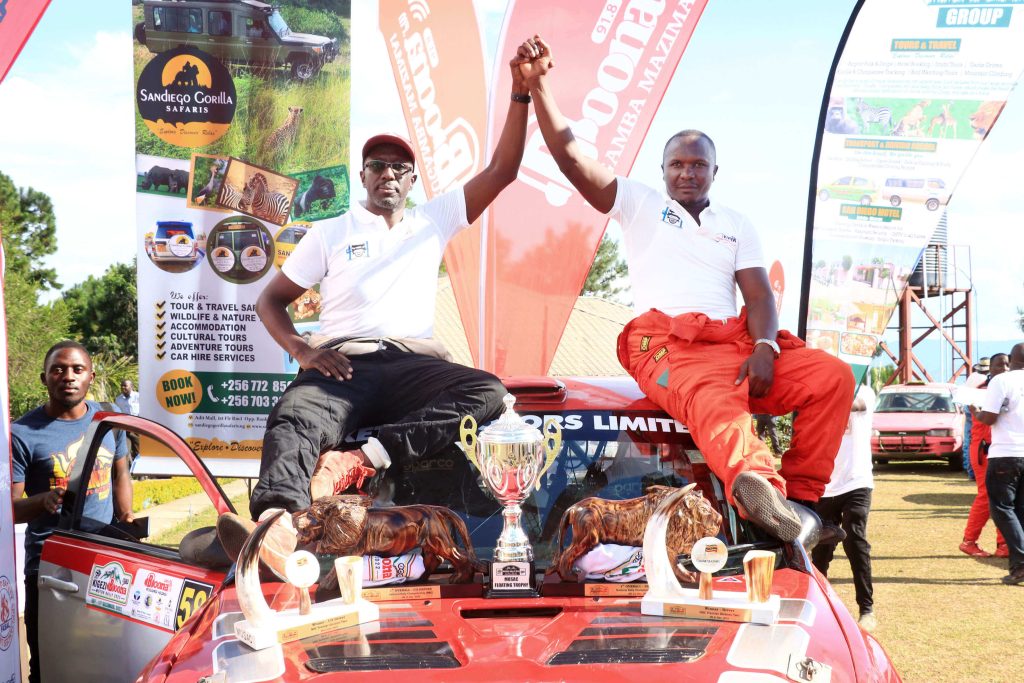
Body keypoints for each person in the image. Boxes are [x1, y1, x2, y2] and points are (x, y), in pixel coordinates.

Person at [516, 36, 854, 541]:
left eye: (698, 165)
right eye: (678, 164)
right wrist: (539, 86)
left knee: (832, 376)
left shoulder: (736, 222)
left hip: (737, 343)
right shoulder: (640, 204)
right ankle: (761, 487)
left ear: (715, 172)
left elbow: (759, 297)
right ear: (663, 171)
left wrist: (764, 346)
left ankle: (800, 507)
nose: (687, 173)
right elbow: (570, 158)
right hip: (670, 346)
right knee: (715, 405)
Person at [245, 51, 531, 532]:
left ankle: (361, 459)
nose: (388, 174)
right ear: (362, 176)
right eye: (377, 165)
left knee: (488, 391)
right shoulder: (331, 231)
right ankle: (281, 526)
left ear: (413, 181)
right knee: (293, 416)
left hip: (411, 367)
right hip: (344, 367)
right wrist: (303, 350)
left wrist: (521, 92)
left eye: (400, 168)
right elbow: (269, 300)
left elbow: (503, 169)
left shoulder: (432, 221)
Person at [11, 341, 132, 683]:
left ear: (90, 377)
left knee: (104, 656)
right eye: (58, 369)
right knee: (48, 661)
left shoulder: (109, 420)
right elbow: (10, 510)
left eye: (77, 369)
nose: (68, 376)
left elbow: (121, 471)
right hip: (50, 567)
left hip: (105, 562)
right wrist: (41, 501)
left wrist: (126, 514)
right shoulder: (21, 434)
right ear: (44, 378)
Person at [812, 382, 877, 631]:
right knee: (820, 550)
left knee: (855, 542)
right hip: (825, 484)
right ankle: (818, 605)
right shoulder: (820, 389)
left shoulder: (864, 391)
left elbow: (855, 404)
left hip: (857, 481)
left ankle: (866, 609)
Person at [972, 343, 1024, 585]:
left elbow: (990, 418)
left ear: (1011, 359)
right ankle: (1018, 568)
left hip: (1006, 453)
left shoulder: (1002, 381)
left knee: (1002, 509)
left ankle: (1021, 562)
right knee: (1020, 511)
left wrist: (977, 412)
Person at [960, 353, 1009, 558]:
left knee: (1004, 496)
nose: (1004, 369)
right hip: (984, 449)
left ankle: (1003, 544)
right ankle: (969, 541)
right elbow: (985, 421)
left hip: (997, 449)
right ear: (990, 369)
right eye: (999, 365)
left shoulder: (1003, 388)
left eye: (1007, 364)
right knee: (987, 495)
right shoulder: (981, 392)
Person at [115, 378, 142, 459]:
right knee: (125, 450)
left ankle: (138, 468)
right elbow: (118, 413)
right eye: (122, 386)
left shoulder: (138, 397)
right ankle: (128, 468)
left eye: (125, 386)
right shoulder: (118, 399)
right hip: (124, 427)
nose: (123, 388)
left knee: (138, 449)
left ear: (131, 387)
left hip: (137, 427)